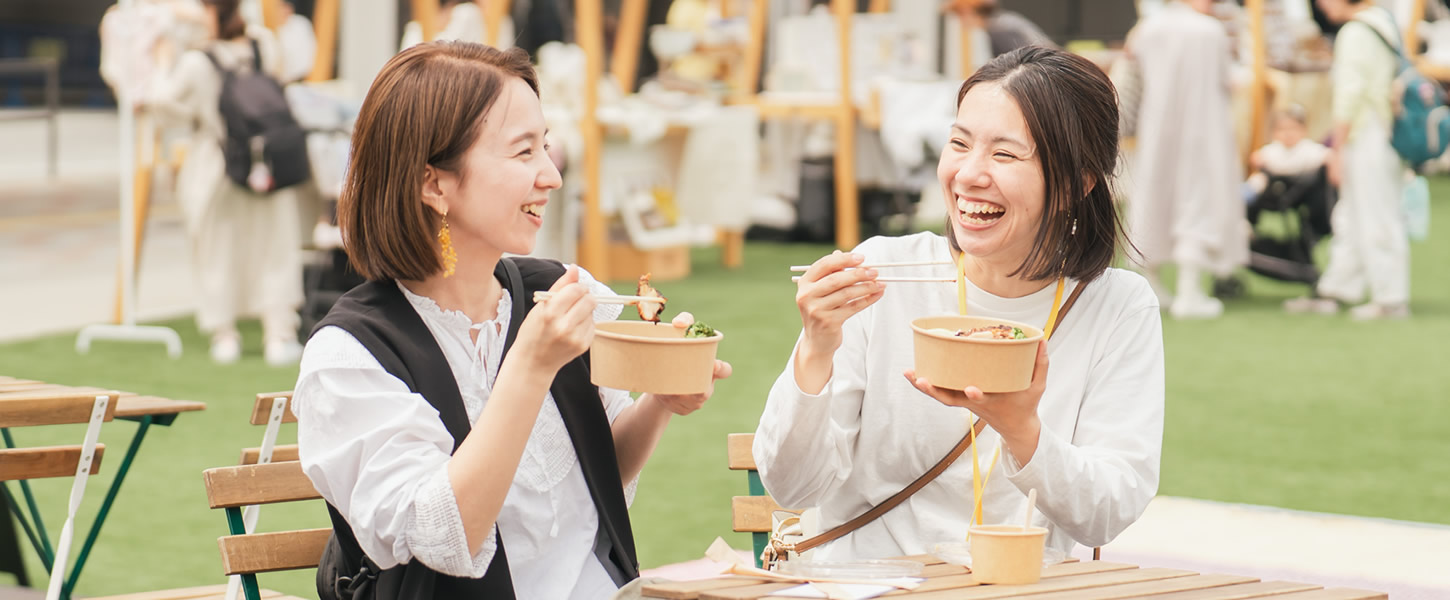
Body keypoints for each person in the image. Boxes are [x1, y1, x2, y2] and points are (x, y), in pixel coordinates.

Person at [292, 41, 731, 599]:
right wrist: (530, 365)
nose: (552, 176)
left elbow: (600, 473)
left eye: (546, 146)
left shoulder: (565, 292)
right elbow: (444, 537)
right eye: (524, 152)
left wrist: (659, 403)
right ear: (434, 184)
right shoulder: (349, 356)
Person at [754, 47, 1164, 561]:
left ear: (1076, 183)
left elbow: (1108, 511)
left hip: (1023, 589)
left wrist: (1021, 429)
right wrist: (816, 350)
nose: (968, 174)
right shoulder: (878, 275)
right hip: (873, 586)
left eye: (1005, 155)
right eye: (959, 143)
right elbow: (791, 488)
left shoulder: (1118, 307)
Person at [140, 0, 304, 365]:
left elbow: (163, 105)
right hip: (268, 163)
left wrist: (164, 62)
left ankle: (224, 335)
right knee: (274, 248)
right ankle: (279, 334)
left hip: (215, 166)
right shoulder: (263, 45)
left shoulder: (197, 62)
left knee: (217, 252)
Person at [1127, 0, 1248, 319]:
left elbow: (1134, 72)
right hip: (1204, 129)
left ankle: (1151, 282)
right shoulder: (1210, 31)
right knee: (1199, 199)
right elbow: (1229, 78)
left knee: (1154, 194)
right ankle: (1189, 289)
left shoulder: (1147, 29)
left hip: (1157, 128)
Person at [1299, 0, 1411, 319]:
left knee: (1375, 214)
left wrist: (1337, 147)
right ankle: (1339, 287)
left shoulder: (1356, 31)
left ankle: (1389, 298)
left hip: (1367, 131)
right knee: (1353, 213)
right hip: (1382, 130)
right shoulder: (1383, 21)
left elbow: (1350, 93)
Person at [1245, 106, 1329, 197]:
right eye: (1283, 129)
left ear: (1304, 130)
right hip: (1273, 186)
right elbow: (1255, 158)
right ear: (1274, 132)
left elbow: (1328, 155)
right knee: (1257, 181)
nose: (1288, 133)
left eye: (1293, 128)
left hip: (1302, 189)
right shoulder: (1275, 148)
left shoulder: (1307, 148)